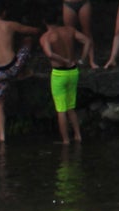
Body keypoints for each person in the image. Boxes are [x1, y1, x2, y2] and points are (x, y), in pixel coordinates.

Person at [0, 8, 40, 142]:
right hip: (13, 67)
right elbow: (32, 31)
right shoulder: (10, 25)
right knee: (27, 42)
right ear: (4, 13)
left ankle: (2, 136)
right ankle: (23, 72)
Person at [39, 8, 92, 144]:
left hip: (59, 74)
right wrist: (82, 59)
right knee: (71, 107)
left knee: (61, 110)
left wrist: (63, 60)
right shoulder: (69, 30)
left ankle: (66, 140)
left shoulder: (46, 37)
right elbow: (87, 41)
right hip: (73, 72)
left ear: (44, 21)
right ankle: (78, 136)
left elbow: (50, 54)